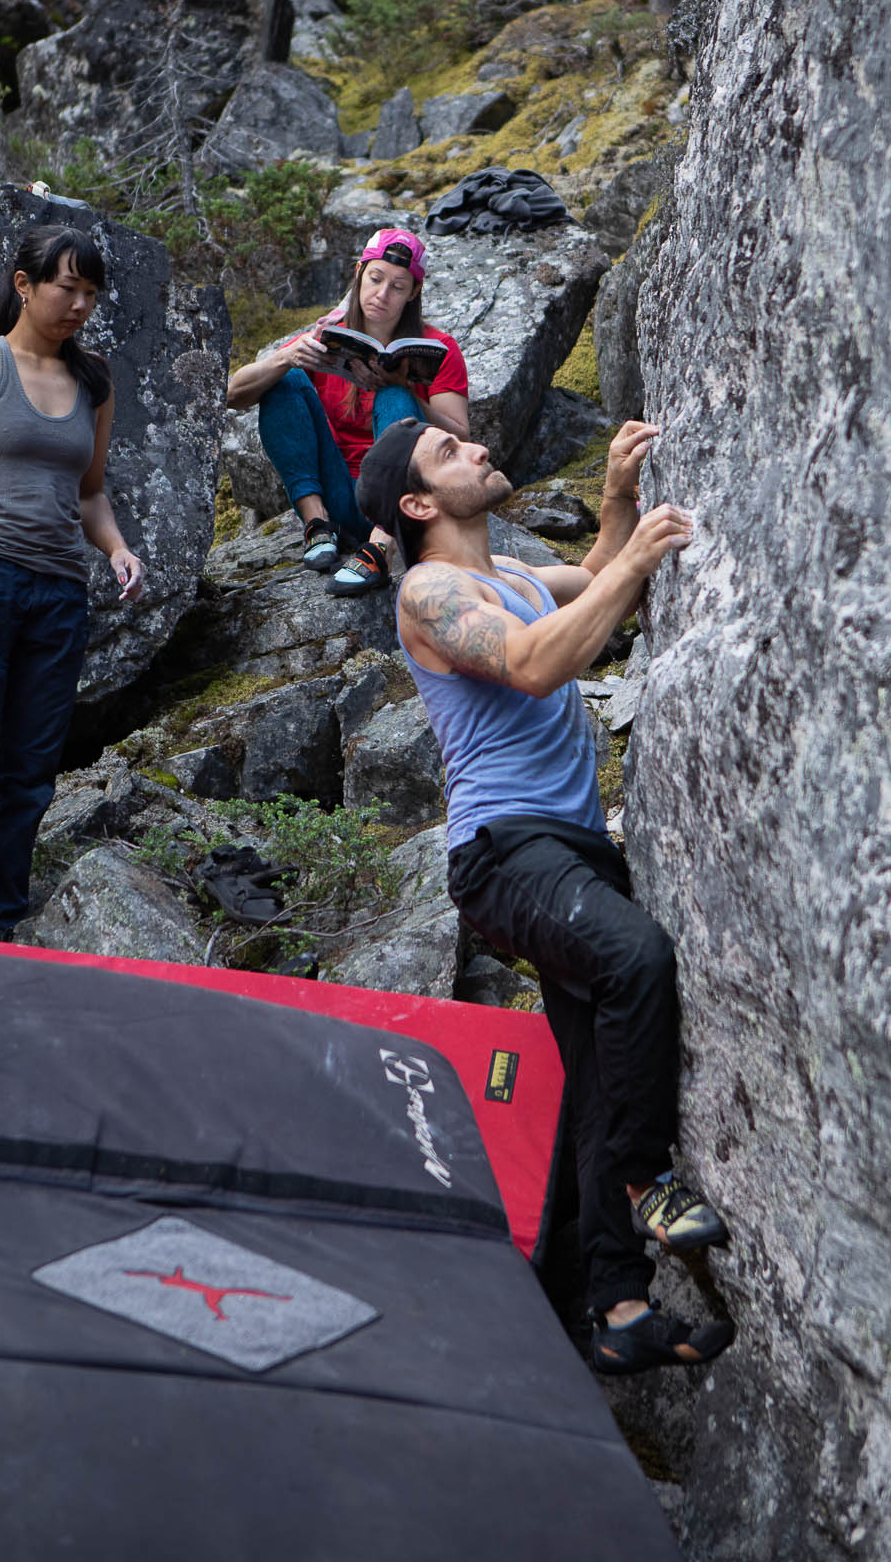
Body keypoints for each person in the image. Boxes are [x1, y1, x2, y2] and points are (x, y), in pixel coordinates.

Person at [356, 414, 735, 1377]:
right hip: (505, 853)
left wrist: (615, 499)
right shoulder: (430, 591)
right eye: (449, 453)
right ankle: (645, 1180)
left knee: (601, 1071)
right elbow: (532, 665)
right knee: (637, 957)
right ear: (417, 504)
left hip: (568, 852)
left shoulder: (518, 577)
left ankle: (618, 1306)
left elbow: (594, 576)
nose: (477, 448)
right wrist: (634, 562)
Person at [0, 226, 145, 948]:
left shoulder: (94, 381)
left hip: (59, 596)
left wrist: (117, 549)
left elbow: (90, 492)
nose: (79, 305)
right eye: (66, 288)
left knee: (30, 775)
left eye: (90, 293)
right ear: (24, 285)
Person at [226, 229, 468, 596]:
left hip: (402, 503)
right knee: (286, 377)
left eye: (398, 287)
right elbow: (232, 395)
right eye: (376, 279)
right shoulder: (330, 336)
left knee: (395, 399)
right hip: (339, 492)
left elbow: (461, 439)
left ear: (413, 292)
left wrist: (407, 391)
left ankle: (380, 550)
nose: (382, 295)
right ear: (359, 273)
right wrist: (284, 357)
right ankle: (317, 526)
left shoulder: (439, 347)